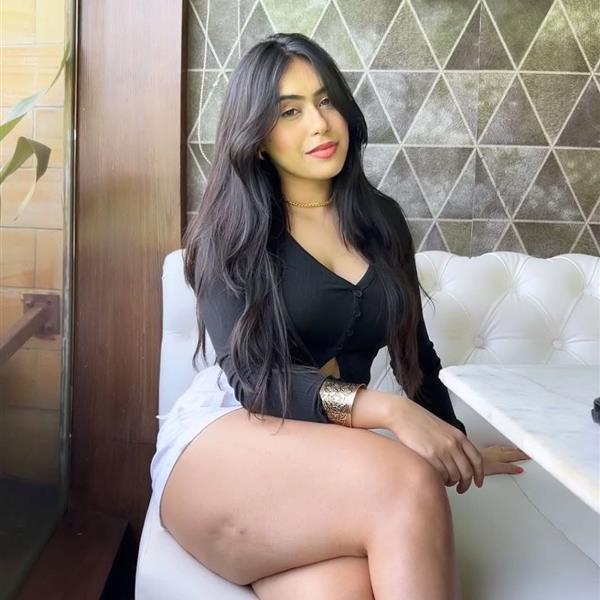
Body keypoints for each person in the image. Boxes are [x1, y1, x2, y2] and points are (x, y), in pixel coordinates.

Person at [152, 32, 529, 600]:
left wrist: (453, 441)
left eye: (326, 101)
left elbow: (415, 353)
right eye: (290, 111)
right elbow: (255, 381)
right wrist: (391, 411)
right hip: (228, 440)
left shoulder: (381, 221)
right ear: (257, 138)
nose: (320, 124)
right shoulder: (229, 235)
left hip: (320, 453)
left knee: (343, 588)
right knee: (409, 479)